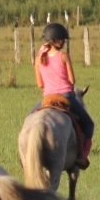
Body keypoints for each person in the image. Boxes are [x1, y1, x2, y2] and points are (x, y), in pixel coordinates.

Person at [30, 23, 94, 169]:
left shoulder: (38, 59)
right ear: (55, 40)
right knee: (89, 123)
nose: (64, 42)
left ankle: (25, 156)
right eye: (62, 39)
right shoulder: (64, 56)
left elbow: (40, 84)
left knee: (28, 120)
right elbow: (72, 81)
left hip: (47, 98)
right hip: (66, 96)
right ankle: (83, 156)